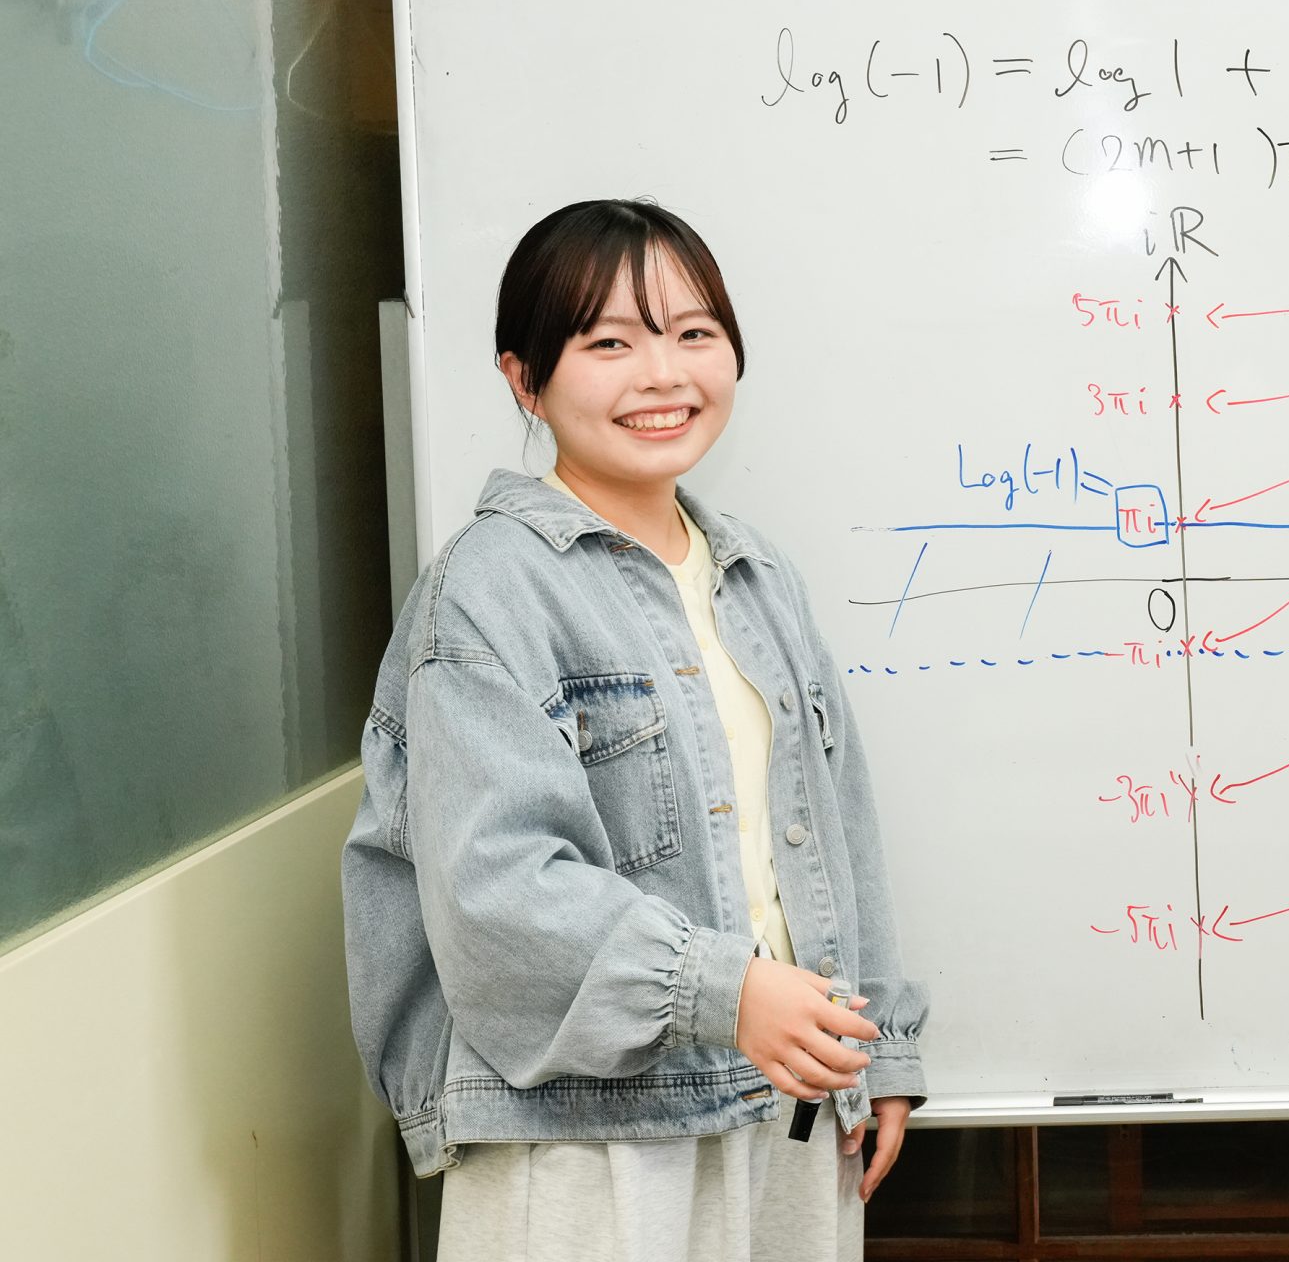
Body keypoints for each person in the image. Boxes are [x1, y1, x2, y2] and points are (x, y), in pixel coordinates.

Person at [343, 199, 923, 1261]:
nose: (663, 375)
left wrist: (877, 1044)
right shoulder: (486, 591)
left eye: (694, 333)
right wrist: (723, 991)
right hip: (589, 1135)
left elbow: (840, 829)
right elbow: (497, 890)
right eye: (609, 343)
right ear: (524, 378)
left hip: (790, 1104)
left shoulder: (757, 575)